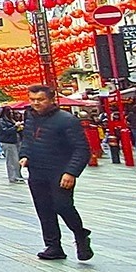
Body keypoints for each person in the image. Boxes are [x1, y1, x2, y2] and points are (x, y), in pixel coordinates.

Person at [20, 85, 92, 261]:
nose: (36, 103)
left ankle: (80, 235)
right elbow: (27, 141)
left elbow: (82, 149)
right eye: (32, 99)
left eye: (40, 99)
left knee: (63, 206)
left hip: (60, 171)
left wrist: (71, 172)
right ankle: (53, 246)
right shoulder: (30, 118)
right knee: (43, 209)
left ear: (51, 99)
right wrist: (24, 155)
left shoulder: (66, 120)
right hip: (37, 171)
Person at [0, 108, 24, 184]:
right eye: (10, 112)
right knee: (12, 160)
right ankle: (13, 177)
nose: (12, 114)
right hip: (8, 142)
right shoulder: (2, 121)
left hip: (16, 141)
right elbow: (5, 131)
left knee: (17, 160)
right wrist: (15, 127)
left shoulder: (12, 120)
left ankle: (18, 175)